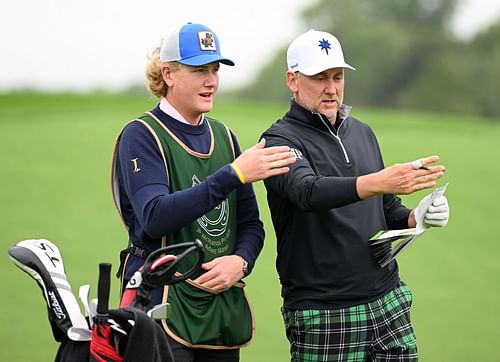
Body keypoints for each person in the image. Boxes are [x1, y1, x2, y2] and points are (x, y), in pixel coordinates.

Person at [110, 22, 296, 361]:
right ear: (168, 73)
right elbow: (154, 217)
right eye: (199, 70)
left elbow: (251, 226)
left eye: (215, 70)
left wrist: (240, 263)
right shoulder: (142, 134)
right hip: (159, 307)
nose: (211, 81)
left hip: (220, 310)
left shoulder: (224, 136)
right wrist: (233, 174)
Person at [261, 29, 450, 361]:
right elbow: (308, 191)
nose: (331, 88)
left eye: (337, 76)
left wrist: (417, 215)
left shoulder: (361, 131)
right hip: (324, 314)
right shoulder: (279, 141)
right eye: (319, 77)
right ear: (292, 80)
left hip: (388, 300)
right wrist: (379, 181)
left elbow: (384, 206)